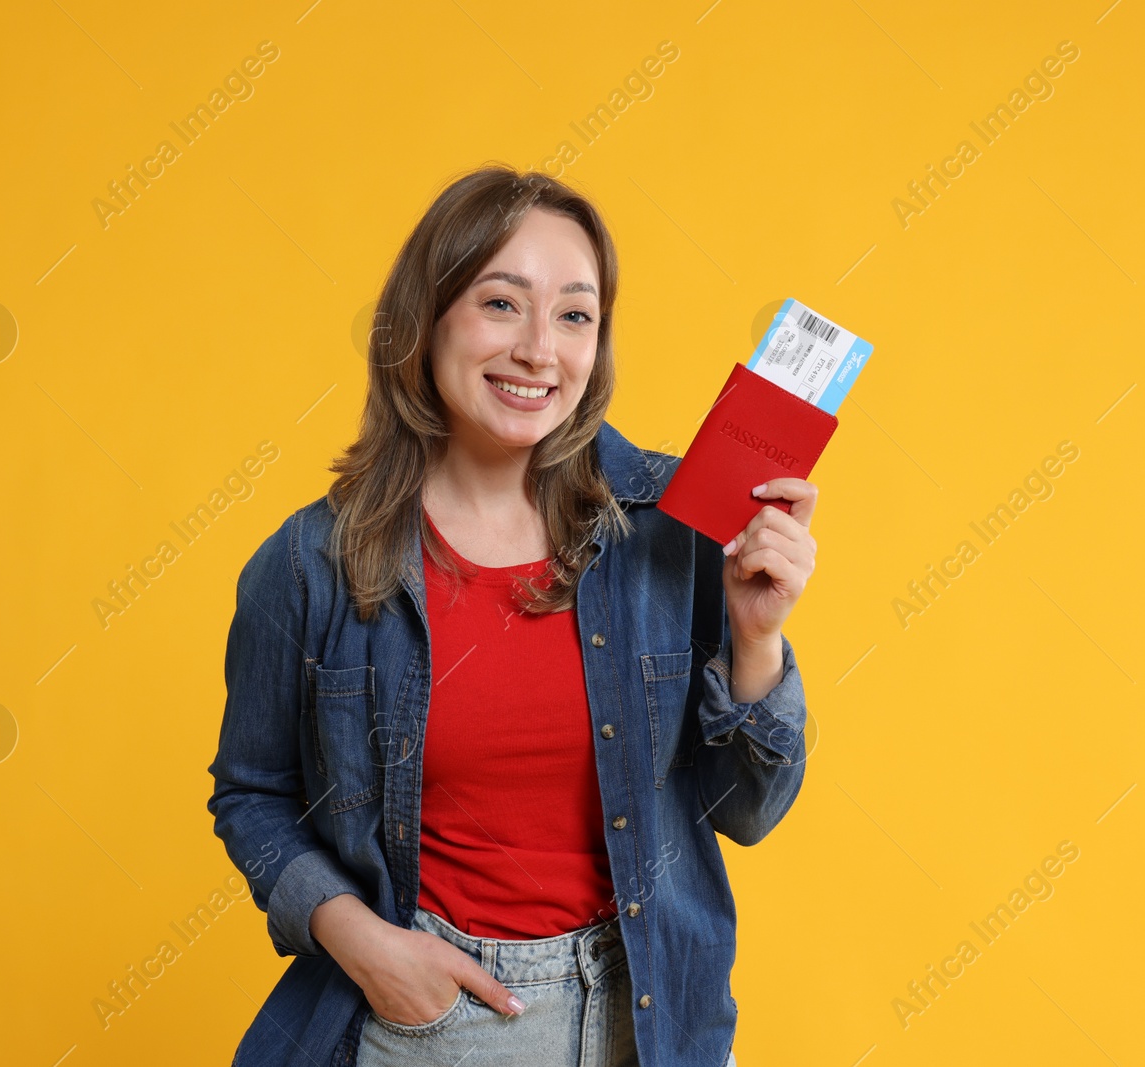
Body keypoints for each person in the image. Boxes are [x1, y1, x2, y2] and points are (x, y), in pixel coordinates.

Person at [207, 164, 818, 1067]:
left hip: (654, 1024)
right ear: (427, 320)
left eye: (574, 314)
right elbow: (252, 796)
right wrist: (365, 946)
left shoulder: (671, 527)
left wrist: (757, 636)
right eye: (502, 303)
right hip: (431, 1025)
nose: (540, 349)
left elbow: (748, 811)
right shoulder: (314, 564)